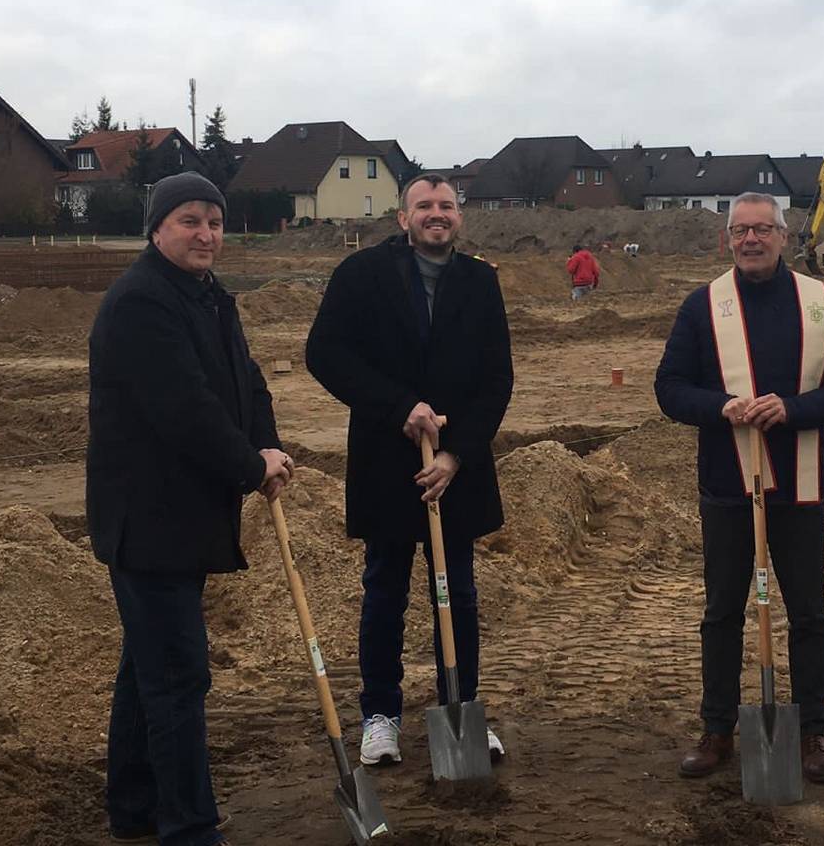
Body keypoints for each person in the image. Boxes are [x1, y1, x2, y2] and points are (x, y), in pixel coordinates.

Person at [86, 171, 293, 846]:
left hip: (180, 516)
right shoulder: (141, 304)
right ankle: (189, 827)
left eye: (214, 221)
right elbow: (184, 410)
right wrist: (245, 464)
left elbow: (245, 377)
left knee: (147, 666)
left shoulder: (207, 296)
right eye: (189, 221)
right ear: (156, 227)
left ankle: (135, 806)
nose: (206, 234)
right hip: (148, 521)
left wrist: (267, 443)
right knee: (177, 675)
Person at [655, 191, 824, 784]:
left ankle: (811, 733)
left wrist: (795, 409)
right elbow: (669, 388)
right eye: (740, 231)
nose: (751, 240)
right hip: (728, 486)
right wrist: (722, 406)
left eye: (762, 230)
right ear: (728, 239)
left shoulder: (821, 303)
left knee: (809, 614)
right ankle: (717, 728)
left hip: (799, 486)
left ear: (784, 235)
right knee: (722, 612)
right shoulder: (702, 308)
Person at [305, 173, 514, 768]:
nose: (436, 213)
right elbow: (324, 354)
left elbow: (498, 379)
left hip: (457, 467)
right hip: (385, 464)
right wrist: (399, 407)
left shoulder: (480, 282)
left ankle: (463, 706)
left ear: (459, 217)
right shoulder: (361, 276)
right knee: (384, 592)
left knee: (459, 594)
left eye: (446, 205)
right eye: (424, 205)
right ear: (403, 217)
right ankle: (381, 716)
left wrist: (455, 454)